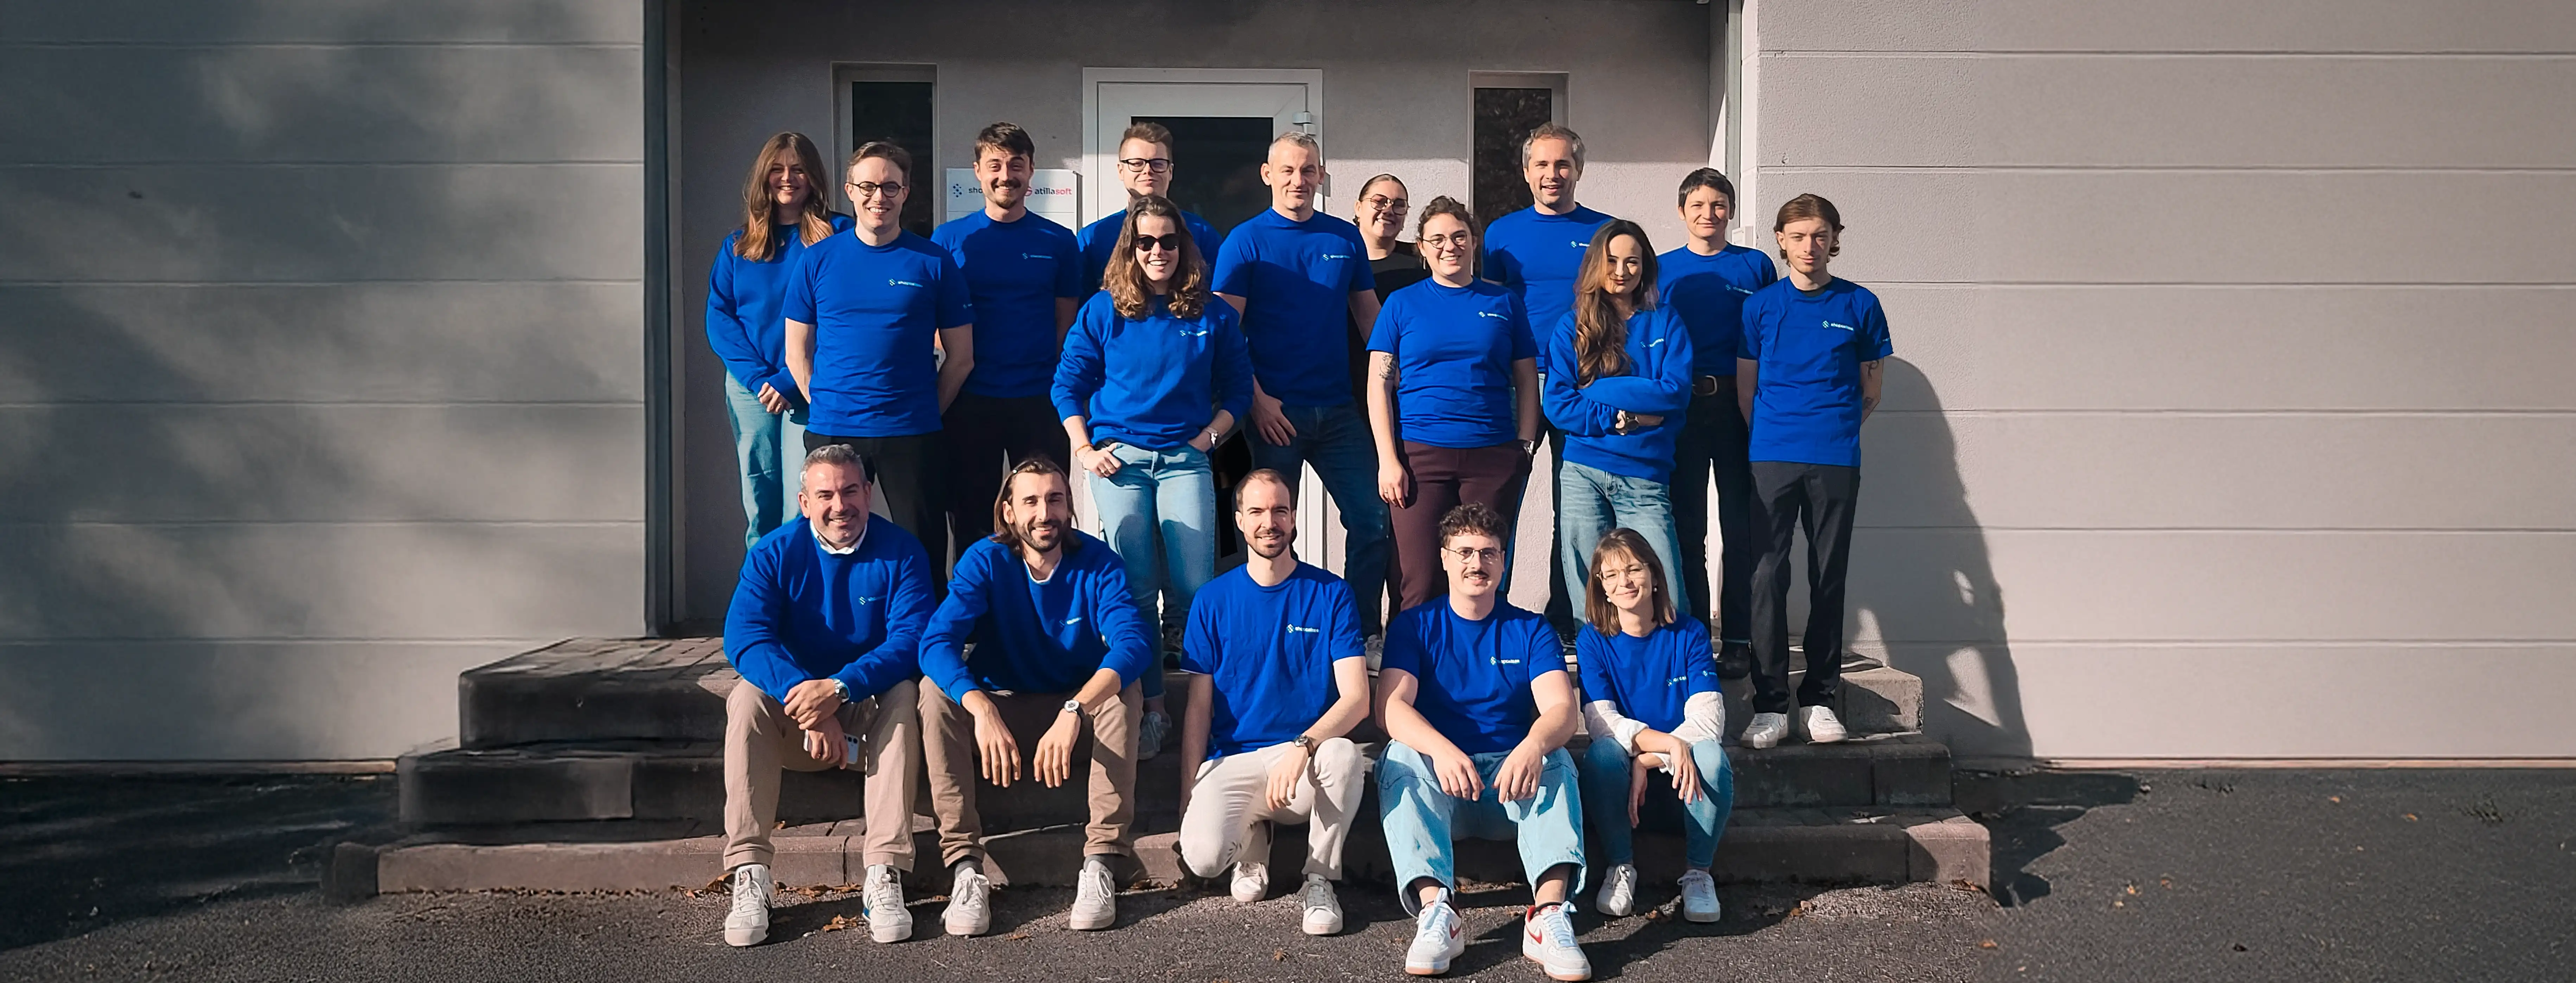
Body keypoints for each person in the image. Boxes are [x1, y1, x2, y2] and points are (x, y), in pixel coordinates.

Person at [917, 458, 1155, 934]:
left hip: (1071, 718)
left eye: (1055, 499)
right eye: (1030, 501)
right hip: (1001, 715)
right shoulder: (985, 560)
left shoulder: (1098, 562)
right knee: (934, 693)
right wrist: (980, 705)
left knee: (1122, 687)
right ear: (1008, 511)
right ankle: (965, 867)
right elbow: (935, 643)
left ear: (1069, 507)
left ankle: (1102, 861)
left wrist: (1075, 709)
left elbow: (1134, 643)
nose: (1044, 513)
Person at [1055, 195, 1253, 760]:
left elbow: (1238, 389)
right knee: (1137, 589)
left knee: (1195, 589)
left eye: (1168, 241)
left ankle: (1211, 705)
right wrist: (1085, 449)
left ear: (1183, 246)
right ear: (1130, 247)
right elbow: (1067, 385)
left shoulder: (1211, 313)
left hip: (1185, 457)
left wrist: (1208, 439)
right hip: (1119, 462)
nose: (1158, 251)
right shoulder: (1103, 311)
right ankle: (1155, 709)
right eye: (1146, 242)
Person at [718, 445, 935, 946]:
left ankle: (884, 870)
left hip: (864, 712)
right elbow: (746, 639)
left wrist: (838, 691)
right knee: (747, 699)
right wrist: (807, 701)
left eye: (851, 491)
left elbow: (911, 642)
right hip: (801, 722)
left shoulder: (902, 552)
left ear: (869, 492)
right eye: (826, 494)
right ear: (804, 502)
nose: (841, 505)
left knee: (906, 694)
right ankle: (750, 873)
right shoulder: (773, 553)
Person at [1374, 503, 1590, 981]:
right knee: (1402, 756)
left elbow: (1560, 709)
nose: (1478, 563)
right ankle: (1437, 914)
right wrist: (1441, 748)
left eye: (1489, 553)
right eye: (1466, 552)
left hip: (1508, 785)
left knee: (1555, 758)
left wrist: (1533, 746)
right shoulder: (1416, 626)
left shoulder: (1530, 628)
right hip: (1442, 782)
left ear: (1503, 561)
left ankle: (1549, 916)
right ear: (1445, 558)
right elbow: (1388, 708)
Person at [1174, 469, 1370, 936]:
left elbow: (1358, 700)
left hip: (1300, 765)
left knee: (1343, 753)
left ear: (1295, 518)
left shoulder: (1331, 594)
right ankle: (1252, 841)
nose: (1270, 522)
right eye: (1257, 511)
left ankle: (1320, 879)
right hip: (1233, 760)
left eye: (1280, 510)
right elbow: (1198, 709)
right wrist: (1188, 792)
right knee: (1202, 859)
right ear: (1239, 521)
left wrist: (1304, 745)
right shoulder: (1212, 600)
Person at [1213, 131, 1392, 637]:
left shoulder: (1343, 237)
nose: (1299, 180)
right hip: (1273, 414)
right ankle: (1272, 632)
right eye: (1288, 170)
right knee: (1266, 530)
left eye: (1308, 170)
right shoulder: (1245, 241)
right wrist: (1257, 401)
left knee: (1374, 522)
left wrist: (1410, 374)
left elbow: (1371, 324)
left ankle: (1357, 634)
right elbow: (1224, 335)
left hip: (1338, 412)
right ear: (1268, 175)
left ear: (1321, 176)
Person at [1735, 193, 1890, 750]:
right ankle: (1771, 705)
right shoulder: (1759, 307)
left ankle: (1821, 701)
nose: (1809, 246)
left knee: (1828, 576)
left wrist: (1834, 431)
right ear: (1780, 240)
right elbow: (1746, 390)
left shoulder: (1860, 304)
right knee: (1766, 577)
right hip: (1772, 456)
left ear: (1834, 239)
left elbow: (1871, 391)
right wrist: (1776, 435)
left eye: (1819, 235)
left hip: (1835, 458)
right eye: (1798, 236)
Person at [784, 142, 975, 551]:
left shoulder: (934, 263)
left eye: (891, 187)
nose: (879, 198)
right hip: (834, 430)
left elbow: (962, 358)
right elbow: (796, 352)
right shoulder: (817, 260)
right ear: (850, 191)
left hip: (911, 431)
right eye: (868, 186)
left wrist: (924, 410)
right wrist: (825, 403)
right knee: (831, 544)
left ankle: (921, 620)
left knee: (921, 550)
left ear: (905, 193)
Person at [1366, 196, 1541, 611]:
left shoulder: (1503, 304)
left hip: (1492, 456)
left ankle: (1480, 670)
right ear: (1422, 248)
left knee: (1483, 575)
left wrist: (1525, 446)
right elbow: (1379, 385)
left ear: (1475, 242)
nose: (1450, 246)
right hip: (1420, 457)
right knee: (1420, 577)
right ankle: (1411, 670)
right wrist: (1388, 460)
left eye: (1460, 236)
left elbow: (1526, 379)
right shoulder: (1402, 304)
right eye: (1438, 239)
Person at [1480, 124, 1614, 636]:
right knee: (1502, 498)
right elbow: (1490, 308)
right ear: (1525, 171)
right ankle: (1494, 613)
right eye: (1542, 164)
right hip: (1520, 382)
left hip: (1585, 381)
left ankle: (1569, 619)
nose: (1552, 174)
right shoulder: (1502, 234)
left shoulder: (1606, 232)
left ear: (1579, 170)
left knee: (1576, 505)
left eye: (1562, 165)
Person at [933, 122, 1085, 552]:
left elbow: (1065, 324)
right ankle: (979, 614)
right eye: (995, 165)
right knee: (971, 517)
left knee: (1044, 517)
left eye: (1016, 165)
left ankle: (1039, 611)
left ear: (1032, 171)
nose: (1006, 175)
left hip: (1037, 399)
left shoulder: (1058, 242)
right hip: (969, 399)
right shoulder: (949, 240)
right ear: (978, 172)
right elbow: (936, 322)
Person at [1571, 528, 1733, 923]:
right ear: (1602, 589)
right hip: (1621, 794)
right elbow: (1601, 721)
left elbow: (1709, 722)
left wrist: (1647, 760)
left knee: (1711, 756)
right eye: (1610, 575)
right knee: (1603, 755)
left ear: (1655, 575)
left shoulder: (1690, 633)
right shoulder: (1592, 641)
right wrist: (1663, 745)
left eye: (1633, 569)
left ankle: (1698, 874)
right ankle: (1620, 866)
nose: (1624, 582)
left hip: (1684, 783)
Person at [1657, 168, 1778, 677]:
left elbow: (1775, 336)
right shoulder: (1662, 270)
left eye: (1719, 205)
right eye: (1699, 205)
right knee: (1687, 528)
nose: (1709, 214)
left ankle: (1739, 639)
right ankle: (1693, 637)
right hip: (1683, 410)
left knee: (1742, 526)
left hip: (1740, 407)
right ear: (1682, 211)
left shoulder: (1756, 267)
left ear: (1731, 210)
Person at [706, 132, 852, 546]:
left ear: (814, 177)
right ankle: (764, 601)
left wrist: (791, 378)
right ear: (763, 177)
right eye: (778, 169)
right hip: (752, 390)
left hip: (809, 385)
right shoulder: (738, 245)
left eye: (798, 169)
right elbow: (720, 317)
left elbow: (844, 317)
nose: (788, 178)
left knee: (804, 501)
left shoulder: (840, 236)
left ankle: (805, 600)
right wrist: (759, 380)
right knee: (760, 502)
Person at [1545, 220, 1694, 618]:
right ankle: (1598, 668)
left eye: (1633, 262)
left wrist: (1596, 392)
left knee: (1665, 591)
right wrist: (1627, 415)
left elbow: (1675, 392)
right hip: (1582, 472)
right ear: (1596, 263)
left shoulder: (1666, 321)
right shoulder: (1572, 326)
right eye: (1611, 261)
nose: (1622, 271)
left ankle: (1673, 671)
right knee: (1589, 588)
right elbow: (1558, 405)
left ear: (1645, 267)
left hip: (1645, 477)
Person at [1078, 121, 1224, 290]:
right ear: (1121, 170)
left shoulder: (1202, 233)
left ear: (1170, 171)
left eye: (1158, 163)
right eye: (1136, 163)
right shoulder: (1093, 238)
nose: (1148, 171)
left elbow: (1217, 297)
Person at [1347, 173, 1430, 402]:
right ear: (1358, 208)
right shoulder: (1341, 259)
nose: (1388, 210)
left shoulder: (1422, 261)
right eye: (1379, 201)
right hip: (1348, 388)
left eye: (1399, 205)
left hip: (1409, 385)